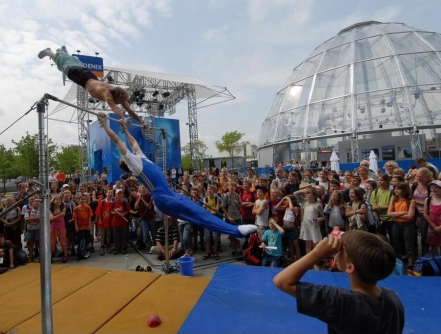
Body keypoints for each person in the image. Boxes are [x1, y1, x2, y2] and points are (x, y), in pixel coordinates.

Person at [96, 112, 257, 240]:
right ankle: (236, 231)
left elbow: (132, 142)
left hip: (169, 193)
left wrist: (125, 129)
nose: (130, 149)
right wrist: (104, 124)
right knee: (197, 215)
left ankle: (236, 231)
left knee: (199, 211)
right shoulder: (133, 164)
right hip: (162, 197)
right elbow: (117, 140)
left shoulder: (141, 156)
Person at [274, 230, 404, 334]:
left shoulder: (339, 302)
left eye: (340, 250)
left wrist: (317, 253)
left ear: (350, 267)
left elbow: (282, 281)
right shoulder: (392, 299)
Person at [38, 46, 145, 127]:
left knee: (74, 63)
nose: (122, 103)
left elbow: (130, 111)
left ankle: (66, 54)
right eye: (121, 101)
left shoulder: (118, 94)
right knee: (63, 67)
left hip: (90, 76)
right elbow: (114, 108)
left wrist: (142, 122)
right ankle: (51, 53)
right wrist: (123, 118)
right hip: (81, 77)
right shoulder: (107, 93)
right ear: (118, 96)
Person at [387, 182, 416, 276]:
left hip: (407, 225)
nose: (396, 190)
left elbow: (410, 216)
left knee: (408, 245)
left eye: (398, 189)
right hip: (396, 224)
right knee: (396, 244)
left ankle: (410, 266)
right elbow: (389, 214)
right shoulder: (393, 199)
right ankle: (398, 264)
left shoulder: (410, 201)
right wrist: (403, 212)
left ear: (404, 190)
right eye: (395, 188)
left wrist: (396, 214)